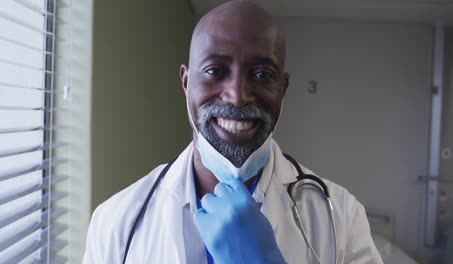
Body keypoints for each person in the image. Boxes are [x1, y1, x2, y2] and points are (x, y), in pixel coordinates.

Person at [82, 1, 383, 263]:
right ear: (186, 82)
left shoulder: (340, 217)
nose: (238, 96)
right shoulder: (116, 222)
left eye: (262, 75)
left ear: (283, 88)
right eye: (215, 70)